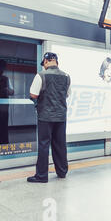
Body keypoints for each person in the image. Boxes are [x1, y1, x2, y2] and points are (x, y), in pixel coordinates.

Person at [27, 52, 71, 183]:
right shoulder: (66, 76)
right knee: (60, 145)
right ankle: (62, 172)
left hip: (45, 117)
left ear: (46, 61)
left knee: (44, 145)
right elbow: (67, 94)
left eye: (44, 63)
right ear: (56, 61)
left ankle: (41, 176)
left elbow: (33, 94)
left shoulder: (41, 75)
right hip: (61, 117)